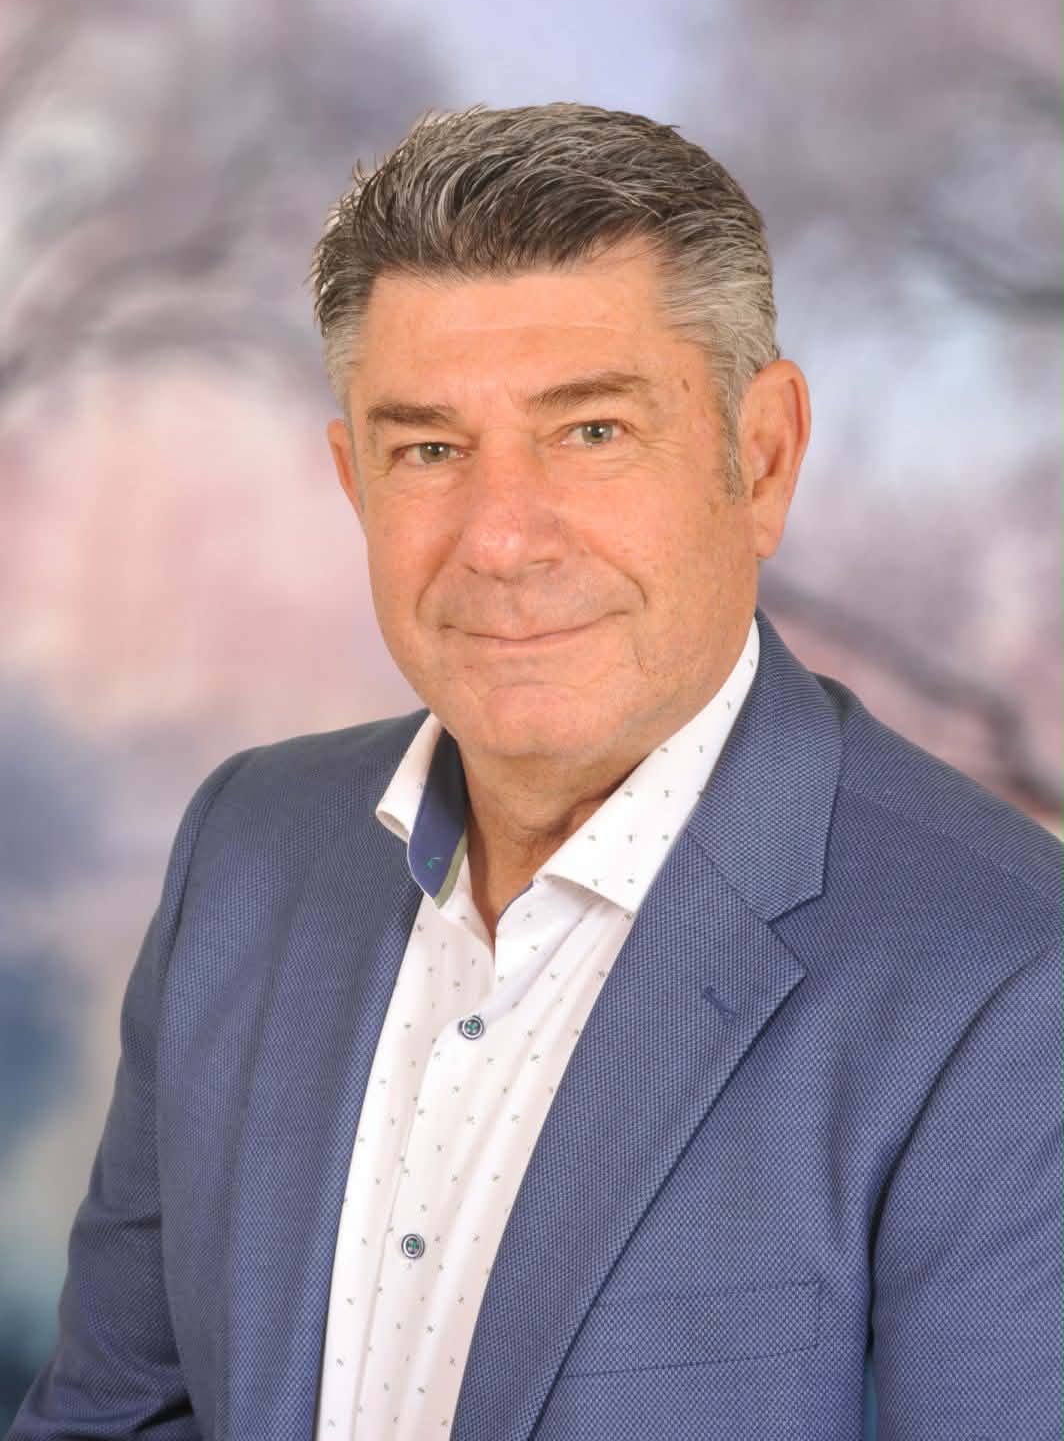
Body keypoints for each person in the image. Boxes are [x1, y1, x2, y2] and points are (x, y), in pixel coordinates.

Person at [9, 104, 1061, 1441]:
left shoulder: (1010, 979)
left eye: (592, 432)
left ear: (762, 457)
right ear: (354, 480)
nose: (502, 538)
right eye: (429, 450)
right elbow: (111, 1416)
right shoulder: (247, 850)